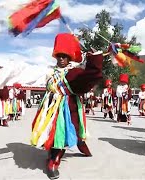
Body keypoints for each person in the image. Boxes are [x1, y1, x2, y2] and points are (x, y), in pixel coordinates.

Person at [30, 33, 103, 179]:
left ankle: (54, 161)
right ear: (55, 56)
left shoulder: (73, 73)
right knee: (50, 132)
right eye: (59, 56)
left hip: (68, 109)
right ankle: (55, 153)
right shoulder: (50, 73)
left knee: (64, 133)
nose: (61, 59)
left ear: (70, 57)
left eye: (65, 56)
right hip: (49, 109)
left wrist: (94, 59)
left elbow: (90, 76)